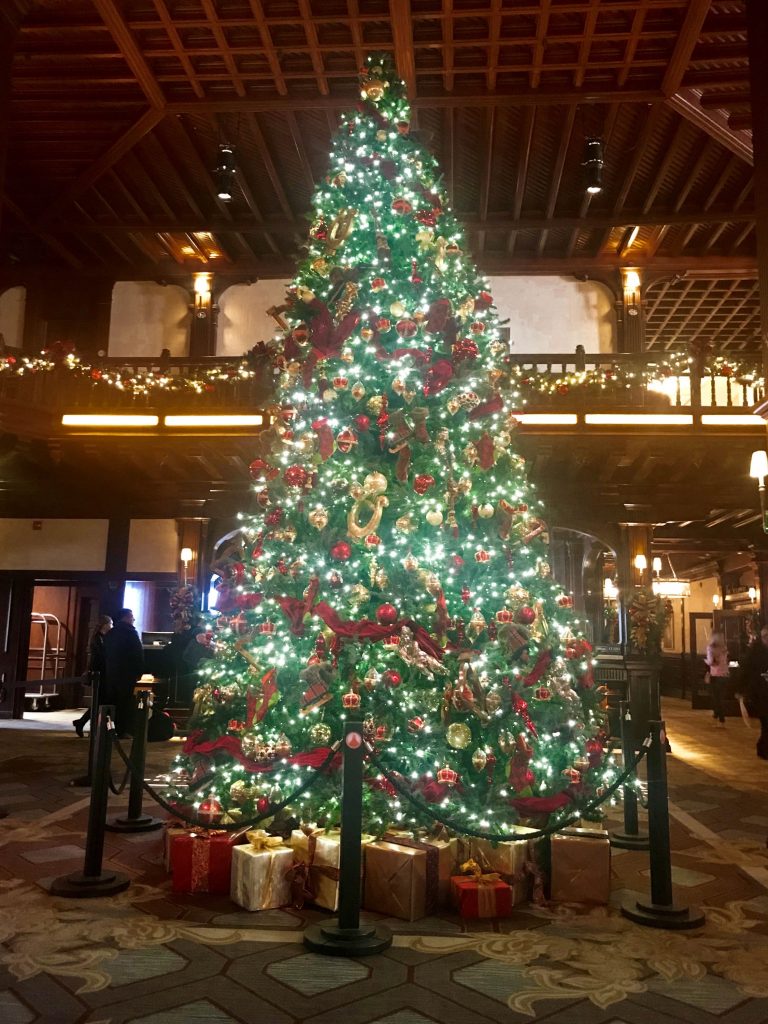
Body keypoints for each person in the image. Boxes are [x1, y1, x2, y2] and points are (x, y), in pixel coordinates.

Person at [103, 608, 143, 738]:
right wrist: (140, 671)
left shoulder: (110, 633)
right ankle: (122, 730)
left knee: (111, 701)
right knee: (124, 703)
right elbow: (137, 654)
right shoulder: (131, 633)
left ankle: (108, 729)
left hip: (111, 673)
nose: (133, 619)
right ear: (125, 618)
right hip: (127, 673)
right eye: (131, 617)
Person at [73, 614, 112, 737]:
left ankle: (82, 723)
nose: (112, 626)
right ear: (104, 625)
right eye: (110, 624)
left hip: (101, 673)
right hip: (99, 674)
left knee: (99, 702)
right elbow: (99, 658)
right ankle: (88, 725)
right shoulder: (98, 639)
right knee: (99, 702)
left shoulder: (101, 638)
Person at [742, 624, 768, 759]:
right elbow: (747, 671)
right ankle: (763, 748)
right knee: (765, 722)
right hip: (761, 694)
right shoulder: (755, 652)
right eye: (765, 636)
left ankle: (763, 747)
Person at [705, 631, 729, 728]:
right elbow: (726, 661)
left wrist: (706, 660)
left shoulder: (711, 648)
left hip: (715, 675)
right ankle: (719, 720)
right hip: (724, 675)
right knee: (720, 698)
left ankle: (719, 719)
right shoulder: (724, 648)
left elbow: (710, 661)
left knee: (716, 698)